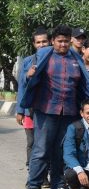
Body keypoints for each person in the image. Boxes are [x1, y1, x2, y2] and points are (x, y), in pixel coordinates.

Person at [22, 25, 89, 189]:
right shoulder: (44, 55)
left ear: (70, 40)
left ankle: (58, 184)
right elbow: (28, 76)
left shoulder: (76, 58)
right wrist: (28, 75)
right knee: (41, 150)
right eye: (60, 41)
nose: (63, 44)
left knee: (61, 150)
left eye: (66, 41)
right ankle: (33, 186)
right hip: (46, 110)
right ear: (53, 41)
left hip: (69, 112)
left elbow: (84, 84)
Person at [15, 27, 49, 174]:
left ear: (50, 41)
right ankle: (33, 171)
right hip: (31, 110)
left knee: (48, 143)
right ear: (34, 44)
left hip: (49, 109)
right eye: (38, 42)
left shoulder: (56, 60)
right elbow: (22, 87)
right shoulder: (28, 61)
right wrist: (20, 110)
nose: (42, 45)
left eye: (44, 41)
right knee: (32, 142)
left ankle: (46, 172)